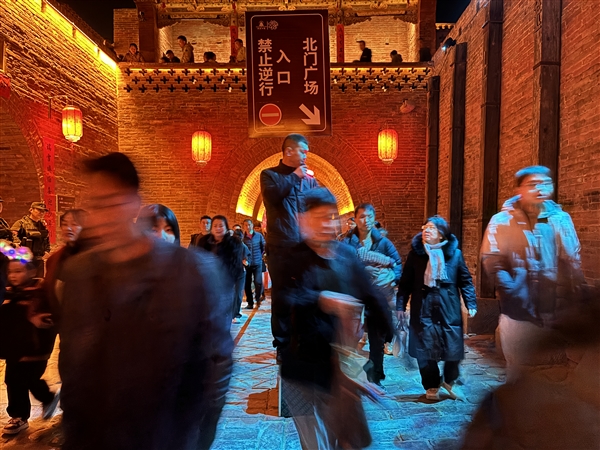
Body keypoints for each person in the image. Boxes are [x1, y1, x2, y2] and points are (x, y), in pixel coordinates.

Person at [57, 153, 233, 450]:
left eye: (111, 203)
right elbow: (74, 367)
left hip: (166, 436)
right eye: (94, 206)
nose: (101, 217)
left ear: (134, 204)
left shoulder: (190, 272)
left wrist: (196, 438)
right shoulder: (80, 273)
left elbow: (216, 366)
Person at [280, 188, 393, 450]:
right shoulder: (292, 258)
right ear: (303, 221)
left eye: (330, 217)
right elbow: (286, 299)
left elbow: (370, 294)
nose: (326, 224)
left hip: (340, 367)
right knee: (315, 442)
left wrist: (389, 330)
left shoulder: (346, 255)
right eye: (318, 218)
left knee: (348, 439)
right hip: (301, 367)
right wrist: (322, 299)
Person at [480, 165, 584, 380]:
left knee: (557, 376)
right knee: (521, 374)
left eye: (545, 183)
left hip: (557, 310)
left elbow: (572, 259)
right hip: (520, 312)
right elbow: (493, 259)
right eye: (533, 184)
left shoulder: (561, 219)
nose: (540, 189)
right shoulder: (502, 221)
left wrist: (575, 296)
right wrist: (513, 291)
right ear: (519, 190)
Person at [396, 216, 477, 401]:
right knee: (423, 348)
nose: (426, 230)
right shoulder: (415, 255)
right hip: (423, 306)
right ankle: (431, 384)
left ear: (441, 234)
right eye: (425, 227)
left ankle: (449, 380)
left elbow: (465, 281)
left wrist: (471, 302)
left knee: (453, 346)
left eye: (432, 228)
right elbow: (405, 284)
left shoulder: (455, 254)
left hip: (448, 306)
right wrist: (400, 306)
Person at [260, 134, 318, 353]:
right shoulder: (269, 175)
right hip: (280, 248)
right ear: (288, 151)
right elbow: (273, 196)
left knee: (305, 295)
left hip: (304, 248)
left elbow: (317, 206)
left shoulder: (309, 180)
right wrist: (295, 176)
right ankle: (282, 345)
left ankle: (302, 341)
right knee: (282, 297)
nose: (305, 156)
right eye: (302, 151)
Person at [0, 249, 60, 435]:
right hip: (14, 349)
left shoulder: (39, 293)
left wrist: (42, 320)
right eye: (10, 272)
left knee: (30, 380)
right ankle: (18, 416)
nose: (13, 276)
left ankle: (48, 397)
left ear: (32, 271)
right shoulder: (9, 294)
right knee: (12, 381)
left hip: (35, 349)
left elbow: (51, 318)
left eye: (18, 271)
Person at [343, 203, 402, 387]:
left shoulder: (383, 243)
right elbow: (341, 264)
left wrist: (392, 279)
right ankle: (348, 375)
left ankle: (375, 376)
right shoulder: (347, 242)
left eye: (369, 216)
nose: (366, 220)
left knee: (377, 339)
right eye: (362, 216)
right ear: (355, 219)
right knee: (350, 337)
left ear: (374, 219)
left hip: (378, 297)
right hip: (355, 296)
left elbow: (397, 263)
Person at [197, 215, 249, 324]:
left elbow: (235, 263)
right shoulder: (203, 242)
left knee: (224, 311)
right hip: (210, 281)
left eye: (221, 226)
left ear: (226, 227)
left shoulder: (233, 243)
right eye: (215, 226)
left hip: (227, 281)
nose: (218, 228)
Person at [44, 209, 86, 325]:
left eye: (74, 224)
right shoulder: (54, 259)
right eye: (64, 224)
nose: (68, 228)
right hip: (63, 323)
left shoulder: (95, 258)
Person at [12, 202, 51, 278]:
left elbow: (46, 239)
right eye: (39, 210)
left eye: (43, 211)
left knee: (39, 280)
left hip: (39, 258)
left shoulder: (42, 225)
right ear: (31, 210)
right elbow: (13, 235)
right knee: (25, 279)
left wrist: (47, 250)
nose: (41, 213)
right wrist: (18, 246)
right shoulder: (21, 223)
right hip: (25, 259)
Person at [242, 219, 266, 309]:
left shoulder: (259, 236)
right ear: (244, 226)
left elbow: (263, 246)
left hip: (257, 263)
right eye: (245, 225)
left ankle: (258, 298)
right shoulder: (243, 238)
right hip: (247, 264)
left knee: (258, 282)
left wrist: (261, 256)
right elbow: (241, 250)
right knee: (247, 284)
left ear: (252, 225)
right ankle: (250, 303)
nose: (247, 227)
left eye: (249, 225)